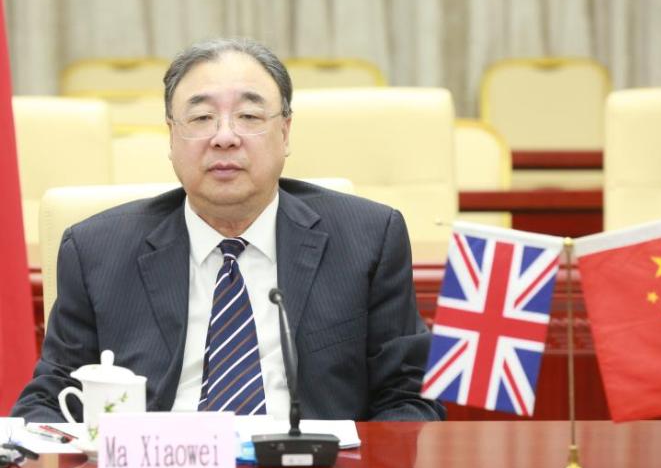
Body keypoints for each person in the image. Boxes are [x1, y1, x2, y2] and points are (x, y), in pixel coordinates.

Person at [13, 38, 445, 422]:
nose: (224, 137)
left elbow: (408, 396)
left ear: (285, 132)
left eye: (249, 115)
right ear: (171, 137)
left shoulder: (368, 238)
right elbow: (51, 399)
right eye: (201, 117)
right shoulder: (96, 252)